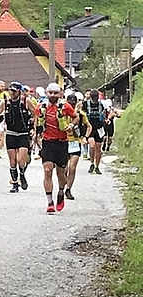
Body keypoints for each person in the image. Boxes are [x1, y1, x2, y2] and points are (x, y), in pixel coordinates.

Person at [35, 83, 77, 214]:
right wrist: (35, 135)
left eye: (55, 93)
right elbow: (37, 121)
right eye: (50, 93)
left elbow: (76, 117)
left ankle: (60, 192)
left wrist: (71, 125)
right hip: (47, 142)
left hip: (62, 142)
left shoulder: (65, 106)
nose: (52, 95)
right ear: (46, 93)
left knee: (61, 173)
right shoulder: (41, 107)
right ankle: (49, 202)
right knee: (47, 170)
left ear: (60, 94)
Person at [0, 81, 36, 193]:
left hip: (23, 133)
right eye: (10, 90)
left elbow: (36, 113)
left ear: (19, 92)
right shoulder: (5, 102)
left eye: (14, 91)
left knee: (21, 160)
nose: (12, 93)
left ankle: (22, 174)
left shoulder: (26, 101)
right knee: (12, 161)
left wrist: (34, 128)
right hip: (11, 133)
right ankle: (15, 183)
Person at [64, 93, 91, 200]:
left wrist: (85, 137)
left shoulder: (80, 114)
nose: (71, 105)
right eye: (70, 103)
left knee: (72, 168)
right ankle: (63, 184)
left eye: (73, 104)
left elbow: (89, 126)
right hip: (64, 142)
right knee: (63, 169)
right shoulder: (62, 113)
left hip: (75, 142)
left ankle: (68, 189)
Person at [82, 89, 107, 174]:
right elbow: (79, 112)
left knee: (98, 148)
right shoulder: (85, 104)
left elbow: (106, 113)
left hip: (99, 128)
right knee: (92, 146)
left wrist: (106, 119)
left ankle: (97, 166)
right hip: (90, 128)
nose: (95, 99)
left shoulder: (101, 104)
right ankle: (92, 163)